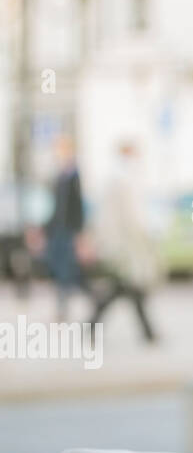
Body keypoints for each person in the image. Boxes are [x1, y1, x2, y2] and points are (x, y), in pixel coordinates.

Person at [89, 140, 159, 343]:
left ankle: (147, 332)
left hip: (121, 243)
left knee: (126, 287)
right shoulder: (124, 179)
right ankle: (147, 332)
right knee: (125, 286)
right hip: (127, 245)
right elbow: (133, 216)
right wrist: (145, 237)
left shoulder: (116, 177)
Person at [43, 132, 92, 322]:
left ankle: (64, 308)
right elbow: (55, 207)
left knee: (67, 270)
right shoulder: (59, 176)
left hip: (68, 231)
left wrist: (79, 233)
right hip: (57, 231)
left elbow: (77, 206)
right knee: (60, 268)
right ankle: (83, 300)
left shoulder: (74, 175)